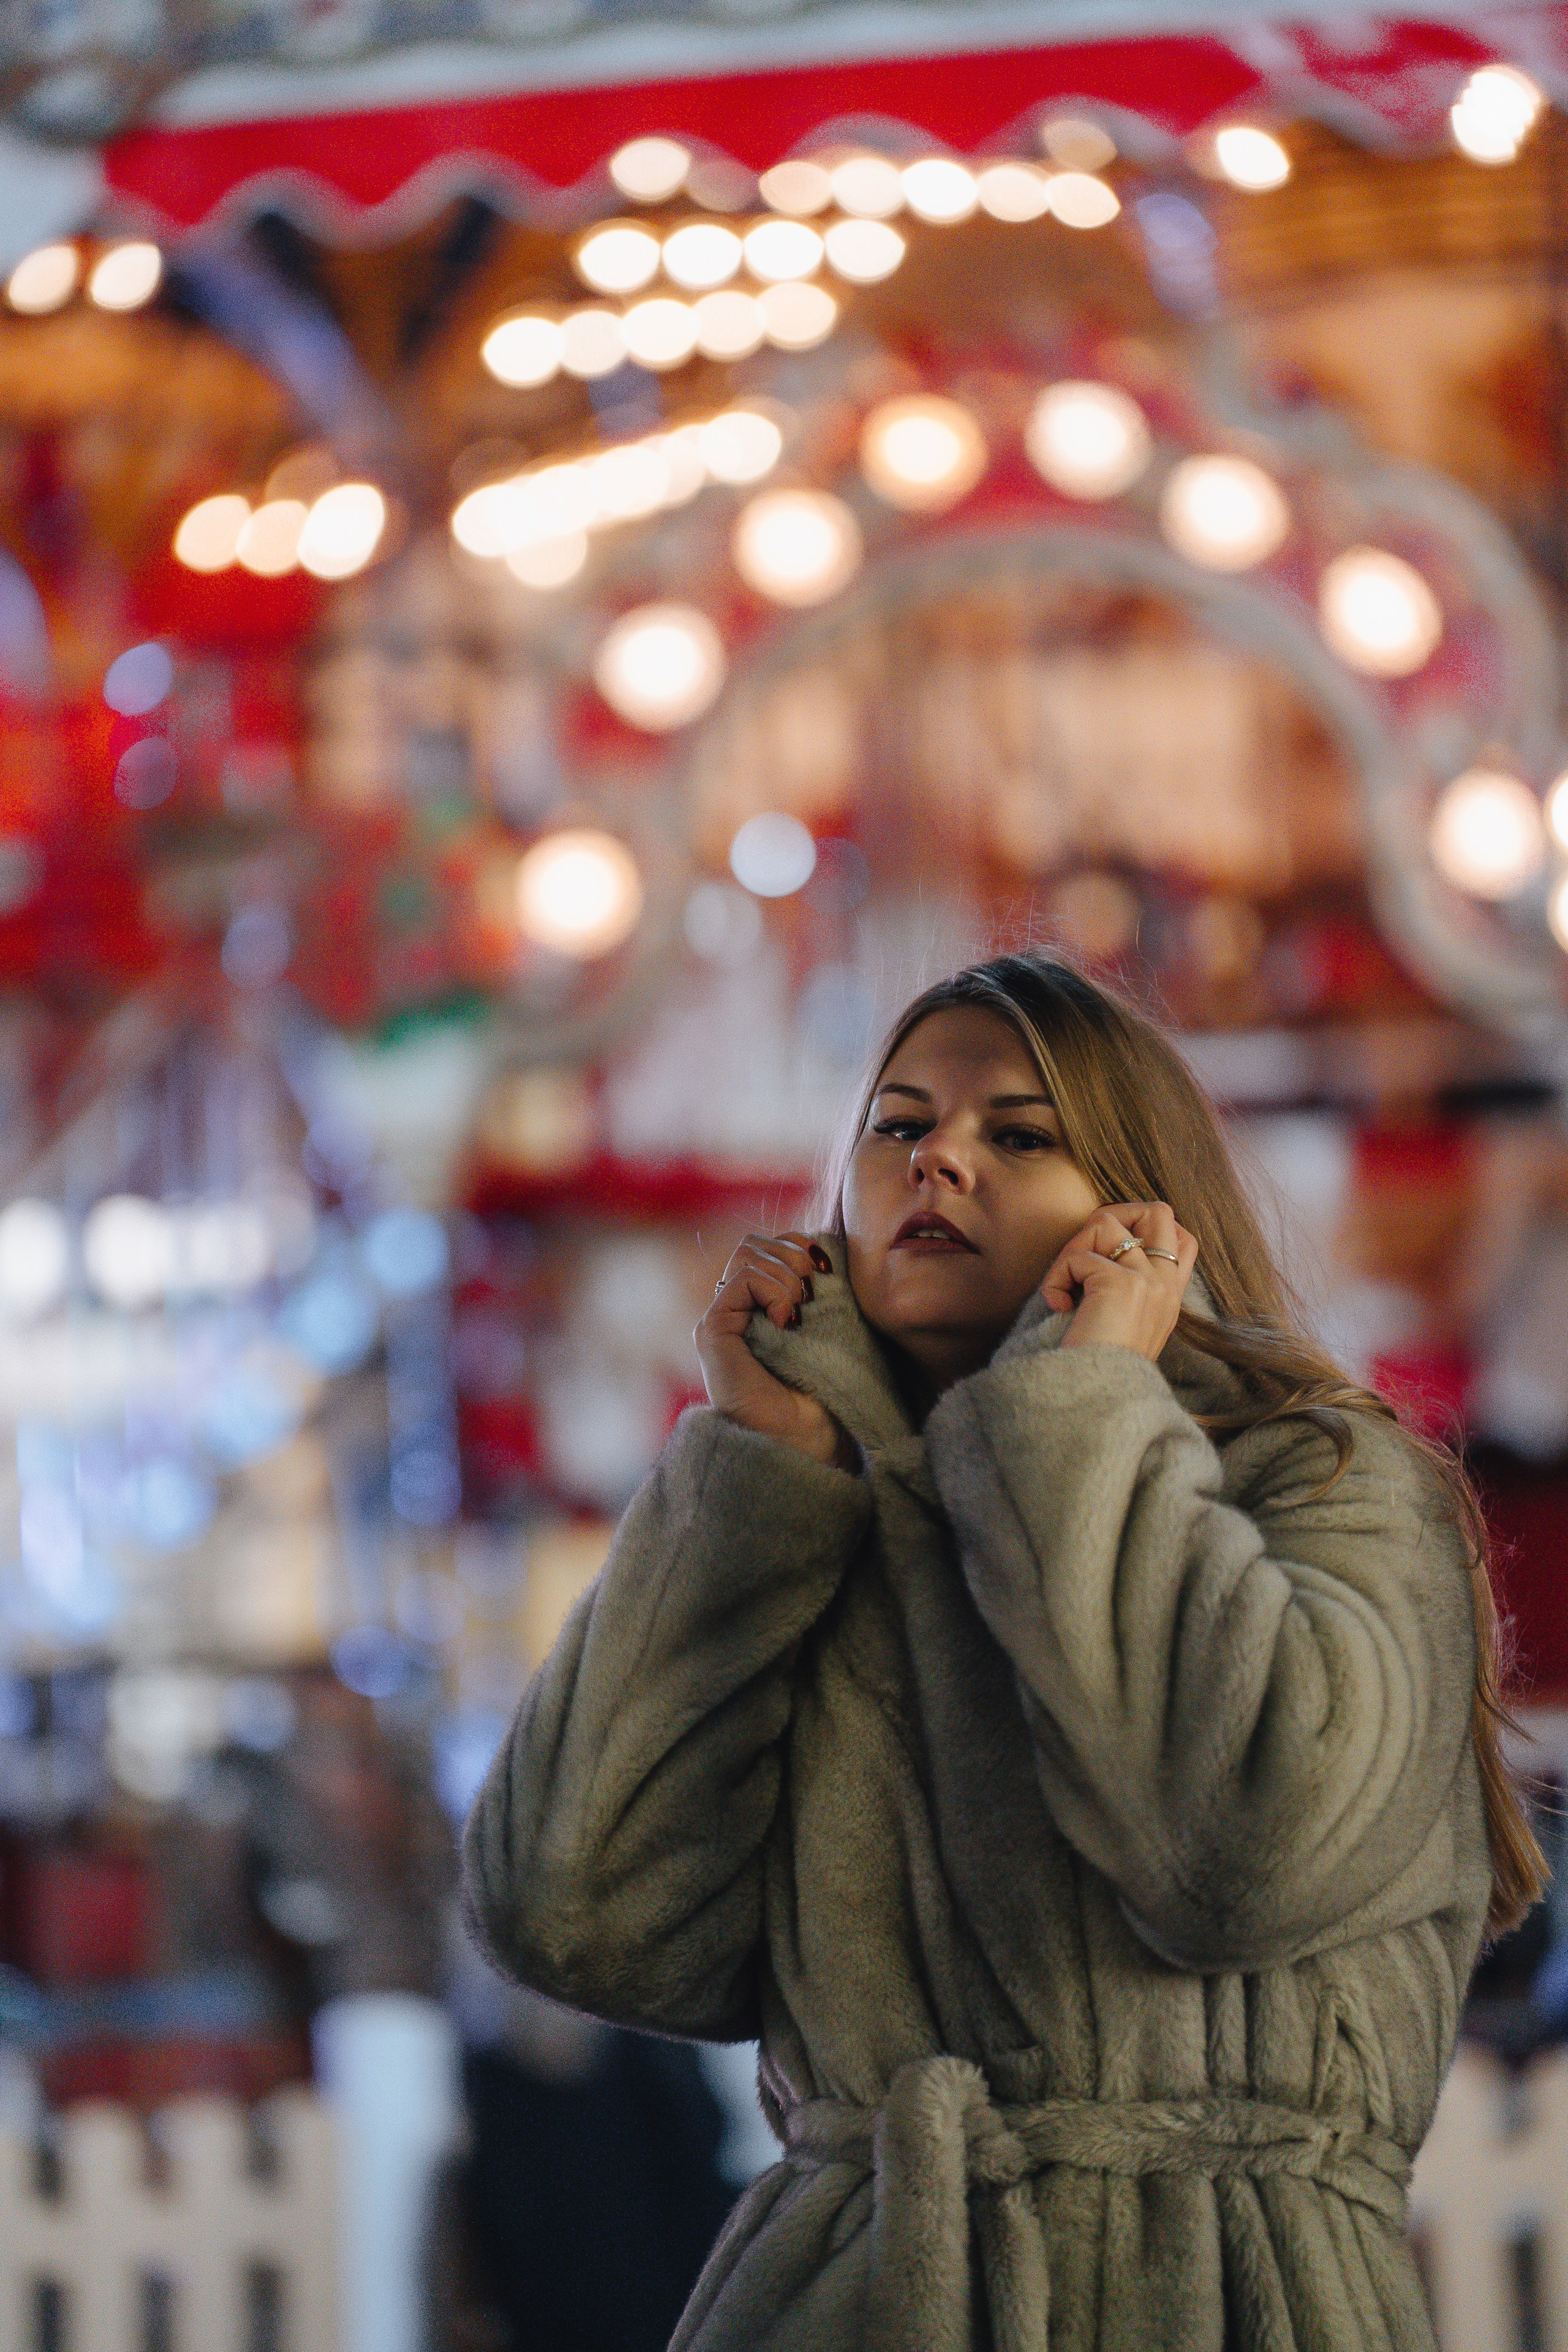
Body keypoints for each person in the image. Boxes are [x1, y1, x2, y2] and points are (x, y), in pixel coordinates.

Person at [462, 952, 1544, 2351]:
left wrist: (1085, 1412)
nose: (938, 1162)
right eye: (898, 1124)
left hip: (1225, 2297)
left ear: (1144, 1215)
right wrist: (751, 1479)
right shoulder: (811, 1523)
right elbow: (572, 1918)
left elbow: (1237, 1860)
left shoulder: (1330, 1487)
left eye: (1015, 1135)